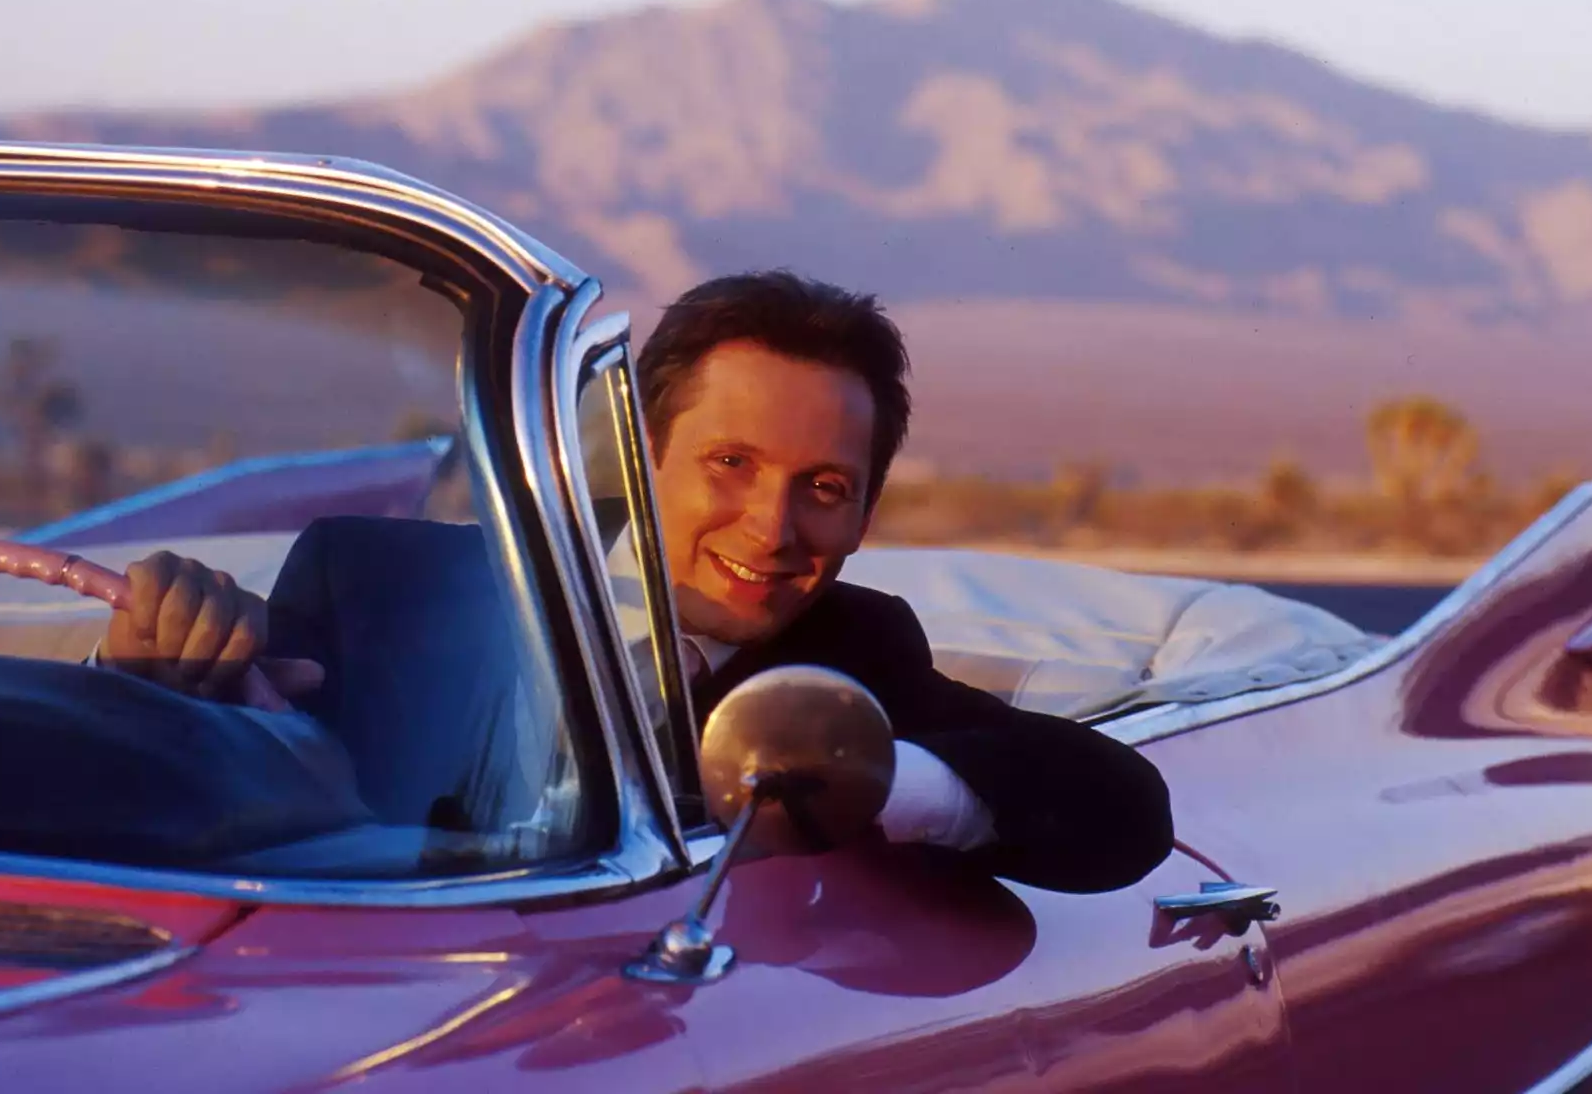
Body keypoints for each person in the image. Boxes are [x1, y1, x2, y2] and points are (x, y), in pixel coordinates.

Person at [94, 272, 1174, 893]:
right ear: (633, 463)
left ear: (864, 516)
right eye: (730, 463)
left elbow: (1123, 813)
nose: (773, 527)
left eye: (825, 487)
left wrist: (864, 778)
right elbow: (187, 814)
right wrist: (151, 676)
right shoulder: (378, 584)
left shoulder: (855, 654)